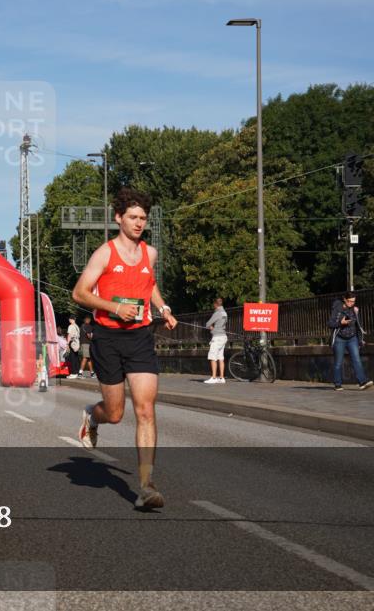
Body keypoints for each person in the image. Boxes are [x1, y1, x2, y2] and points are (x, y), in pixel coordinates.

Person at [71, 187, 178, 509]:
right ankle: (93, 415)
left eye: (143, 218)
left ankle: (146, 485)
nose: (138, 223)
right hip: (108, 338)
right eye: (132, 217)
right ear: (118, 218)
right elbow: (80, 293)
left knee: (145, 410)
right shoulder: (105, 253)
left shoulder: (151, 253)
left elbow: (149, 284)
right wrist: (114, 308)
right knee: (115, 413)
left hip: (141, 337)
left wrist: (163, 308)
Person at [327, 291, 373, 391]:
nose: (351, 303)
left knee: (356, 359)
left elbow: (358, 326)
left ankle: (362, 382)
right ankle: (338, 384)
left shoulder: (354, 310)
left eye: (353, 302)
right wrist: (340, 322)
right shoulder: (337, 309)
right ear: (344, 299)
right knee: (338, 362)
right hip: (340, 338)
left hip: (352, 338)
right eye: (349, 301)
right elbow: (330, 323)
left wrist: (361, 339)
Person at [204, 298, 228, 384]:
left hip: (217, 337)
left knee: (212, 356)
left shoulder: (217, 313)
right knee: (221, 357)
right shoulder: (224, 313)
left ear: (215, 304)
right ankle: (221, 378)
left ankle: (214, 377)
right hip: (223, 336)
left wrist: (211, 328)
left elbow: (207, 324)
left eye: (213, 305)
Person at [79, 314, 94, 378]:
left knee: (88, 358)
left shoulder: (82, 326)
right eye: (89, 319)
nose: (89, 320)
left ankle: (92, 373)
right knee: (85, 358)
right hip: (87, 344)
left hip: (82, 343)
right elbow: (89, 335)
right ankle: (80, 373)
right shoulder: (88, 326)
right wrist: (93, 339)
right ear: (88, 320)